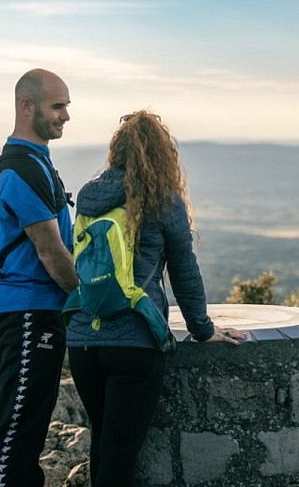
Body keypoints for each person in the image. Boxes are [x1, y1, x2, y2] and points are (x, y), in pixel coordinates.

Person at [66, 110, 247, 486]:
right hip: (135, 339)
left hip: (83, 338)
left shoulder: (88, 196)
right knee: (119, 459)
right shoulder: (163, 201)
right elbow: (184, 272)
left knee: (103, 442)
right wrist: (203, 329)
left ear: (115, 152)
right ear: (163, 155)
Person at [0, 69, 79, 487]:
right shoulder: (22, 169)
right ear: (27, 106)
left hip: (37, 311)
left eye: (66, 107)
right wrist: (89, 300)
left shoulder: (36, 162)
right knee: (19, 427)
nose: (66, 116)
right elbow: (51, 252)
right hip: (27, 311)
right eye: (57, 106)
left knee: (31, 422)